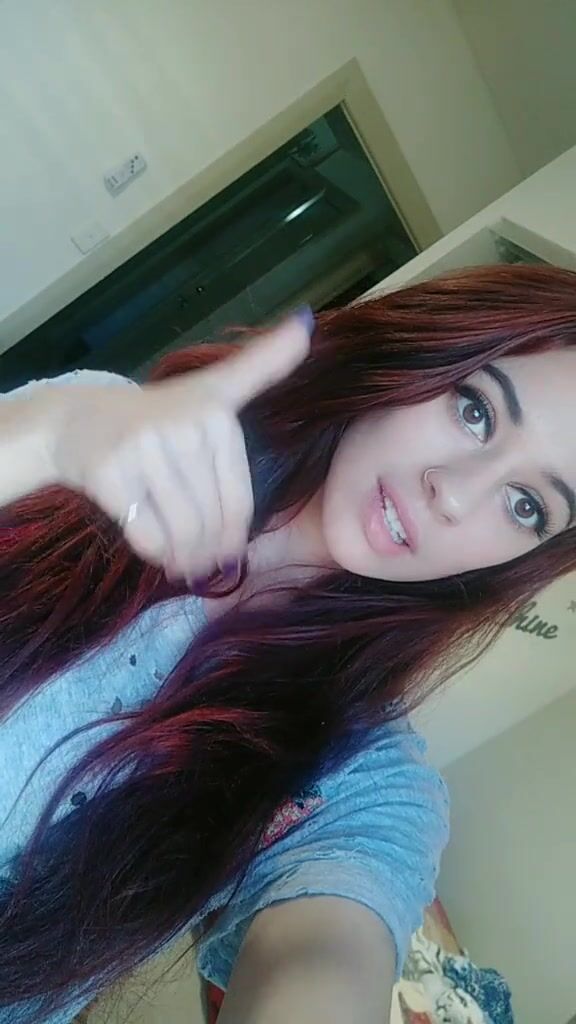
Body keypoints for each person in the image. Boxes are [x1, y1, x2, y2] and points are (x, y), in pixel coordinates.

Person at [0, 264, 575, 1024]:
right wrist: (46, 439)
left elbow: (321, 963)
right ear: (417, 350)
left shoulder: (362, 779)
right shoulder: (97, 432)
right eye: (476, 410)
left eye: (526, 504)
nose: (456, 493)